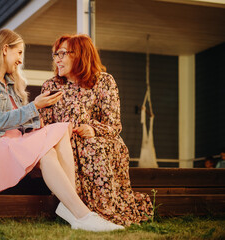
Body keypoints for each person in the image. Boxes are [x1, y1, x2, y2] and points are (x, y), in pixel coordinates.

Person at [0, 29, 124, 232]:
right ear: (5, 50)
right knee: (51, 140)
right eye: (19, 52)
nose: (21, 60)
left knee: (60, 130)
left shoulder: (12, 84)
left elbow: (23, 123)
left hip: (12, 143)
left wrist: (42, 119)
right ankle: (80, 213)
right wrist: (35, 106)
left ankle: (71, 209)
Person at [39, 34, 153, 226]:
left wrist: (93, 129)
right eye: (55, 54)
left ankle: (100, 212)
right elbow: (46, 124)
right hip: (63, 142)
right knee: (81, 148)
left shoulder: (104, 81)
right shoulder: (51, 86)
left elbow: (114, 124)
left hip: (98, 138)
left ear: (81, 54)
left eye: (62, 53)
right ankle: (79, 211)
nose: (57, 59)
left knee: (94, 148)